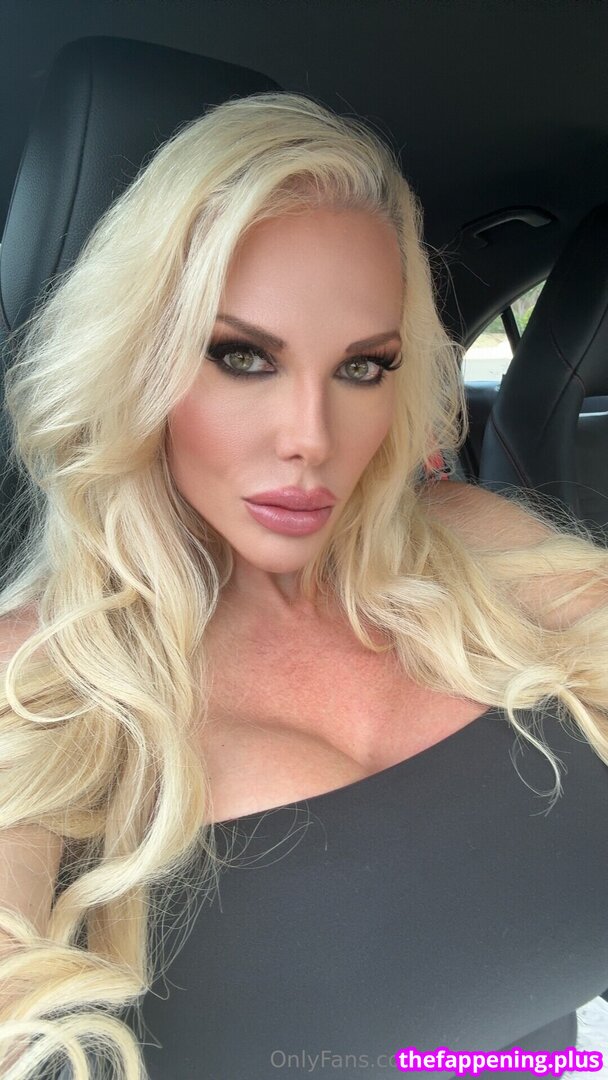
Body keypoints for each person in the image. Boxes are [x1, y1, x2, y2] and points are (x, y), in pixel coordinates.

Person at [0, 90, 607, 1080]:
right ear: (138, 364)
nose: (310, 439)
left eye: (361, 368)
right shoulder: (42, 675)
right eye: (242, 357)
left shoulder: (470, 545)